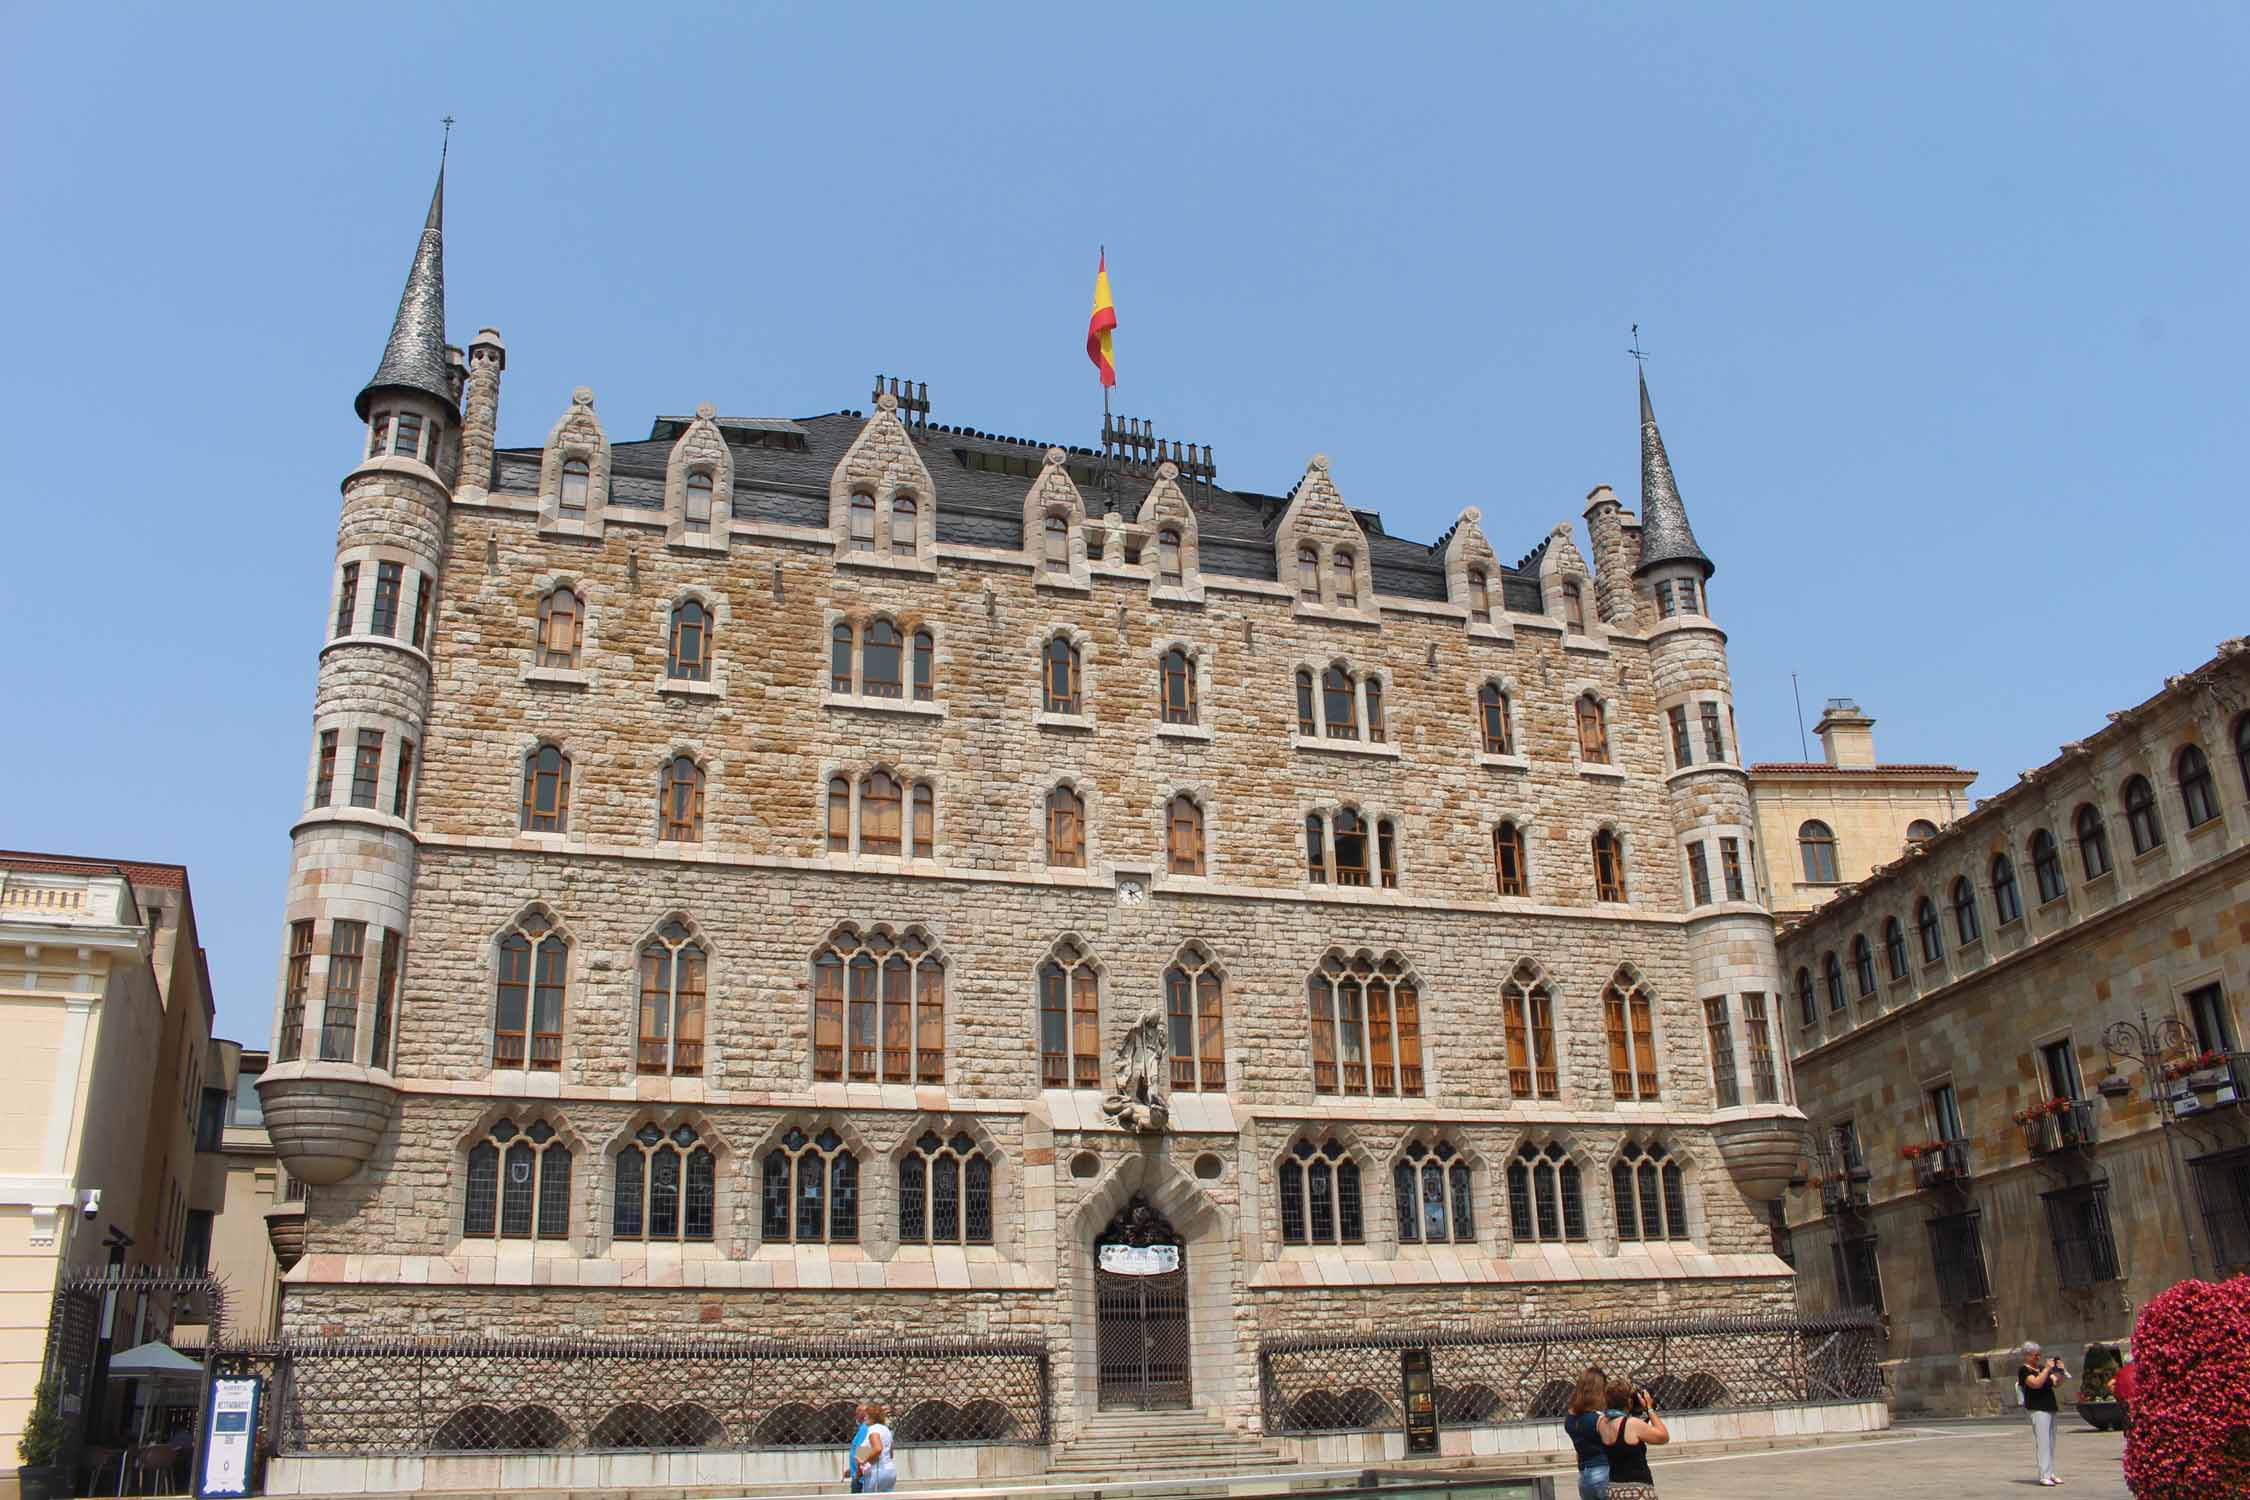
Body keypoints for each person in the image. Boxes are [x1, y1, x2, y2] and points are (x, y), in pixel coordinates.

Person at [1595, 1377, 1669, 1500]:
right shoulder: (1632, 1424)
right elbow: (1663, 1437)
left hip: (1614, 1489)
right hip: (1637, 1490)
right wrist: (1649, 1408)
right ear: (1629, 1402)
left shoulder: (1601, 1423)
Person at [2018, 1342, 2068, 1486]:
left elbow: (2056, 1383)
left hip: (2050, 1406)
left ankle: (2050, 1472)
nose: (2038, 1357)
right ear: (2027, 1355)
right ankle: (2043, 1474)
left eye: (2039, 1354)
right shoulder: (2024, 1370)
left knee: (2051, 1442)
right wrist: (2046, 1369)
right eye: (2036, 1355)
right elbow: (2035, 1383)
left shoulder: (2041, 1368)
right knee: (2043, 1442)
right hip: (2037, 1408)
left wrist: (2061, 1372)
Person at [1562, 1366, 1614, 1500]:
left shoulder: (1570, 1418)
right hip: (1604, 1470)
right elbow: (1611, 1441)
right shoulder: (1597, 1419)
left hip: (1585, 1475)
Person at [855, 1402, 897, 1494]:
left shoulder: (873, 1430)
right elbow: (890, 1453)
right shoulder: (886, 1430)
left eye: (866, 1415)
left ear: (872, 1417)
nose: (864, 1418)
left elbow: (878, 1448)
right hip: (889, 1470)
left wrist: (863, 1460)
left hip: (876, 1471)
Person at [842, 1401, 869, 1494]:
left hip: (860, 1476)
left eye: (858, 1412)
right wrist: (851, 1468)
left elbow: (863, 1450)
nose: (856, 1415)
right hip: (857, 1472)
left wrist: (858, 1472)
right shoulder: (862, 1428)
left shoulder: (865, 1428)